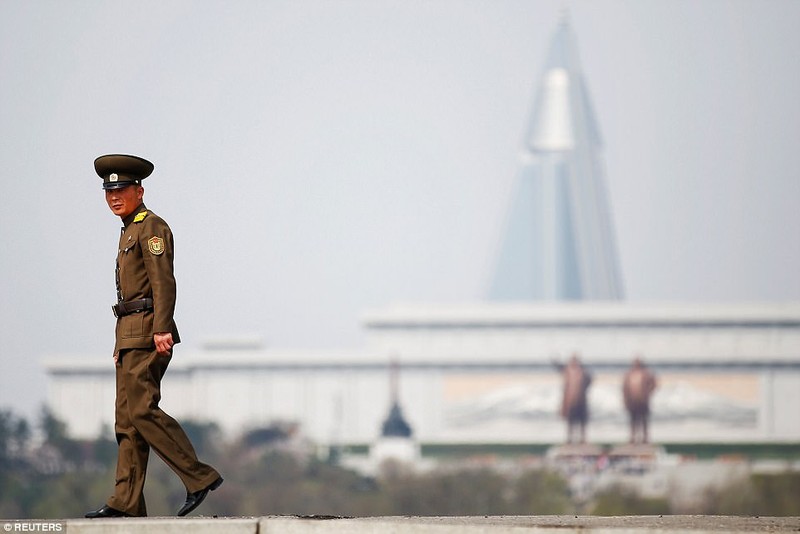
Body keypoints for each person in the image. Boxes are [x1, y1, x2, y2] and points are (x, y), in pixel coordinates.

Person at [85, 154, 223, 518]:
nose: (114, 197)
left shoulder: (151, 227)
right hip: (129, 334)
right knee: (126, 421)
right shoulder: (128, 229)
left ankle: (198, 476)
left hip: (149, 332)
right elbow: (126, 296)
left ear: (139, 190)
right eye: (109, 191)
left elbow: (163, 283)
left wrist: (162, 327)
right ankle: (126, 502)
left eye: (122, 190)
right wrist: (119, 344)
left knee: (143, 410)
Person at [556, 354, 592, 444]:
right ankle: (569, 439)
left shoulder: (583, 372)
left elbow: (589, 381)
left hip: (580, 400)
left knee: (582, 421)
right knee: (570, 422)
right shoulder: (567, 371)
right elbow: (558, 367)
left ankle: (582, 439)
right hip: (570, 401)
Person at [622, 356, 658, 444]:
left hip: (643, 401)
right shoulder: (629, 374)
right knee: (633, 421)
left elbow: (654, 384)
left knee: (644, 421)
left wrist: (647, 393)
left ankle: (645, 438)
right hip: (632, 401)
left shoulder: (646, 373)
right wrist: (626, 399)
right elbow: (624, 388)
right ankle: (633, 438)